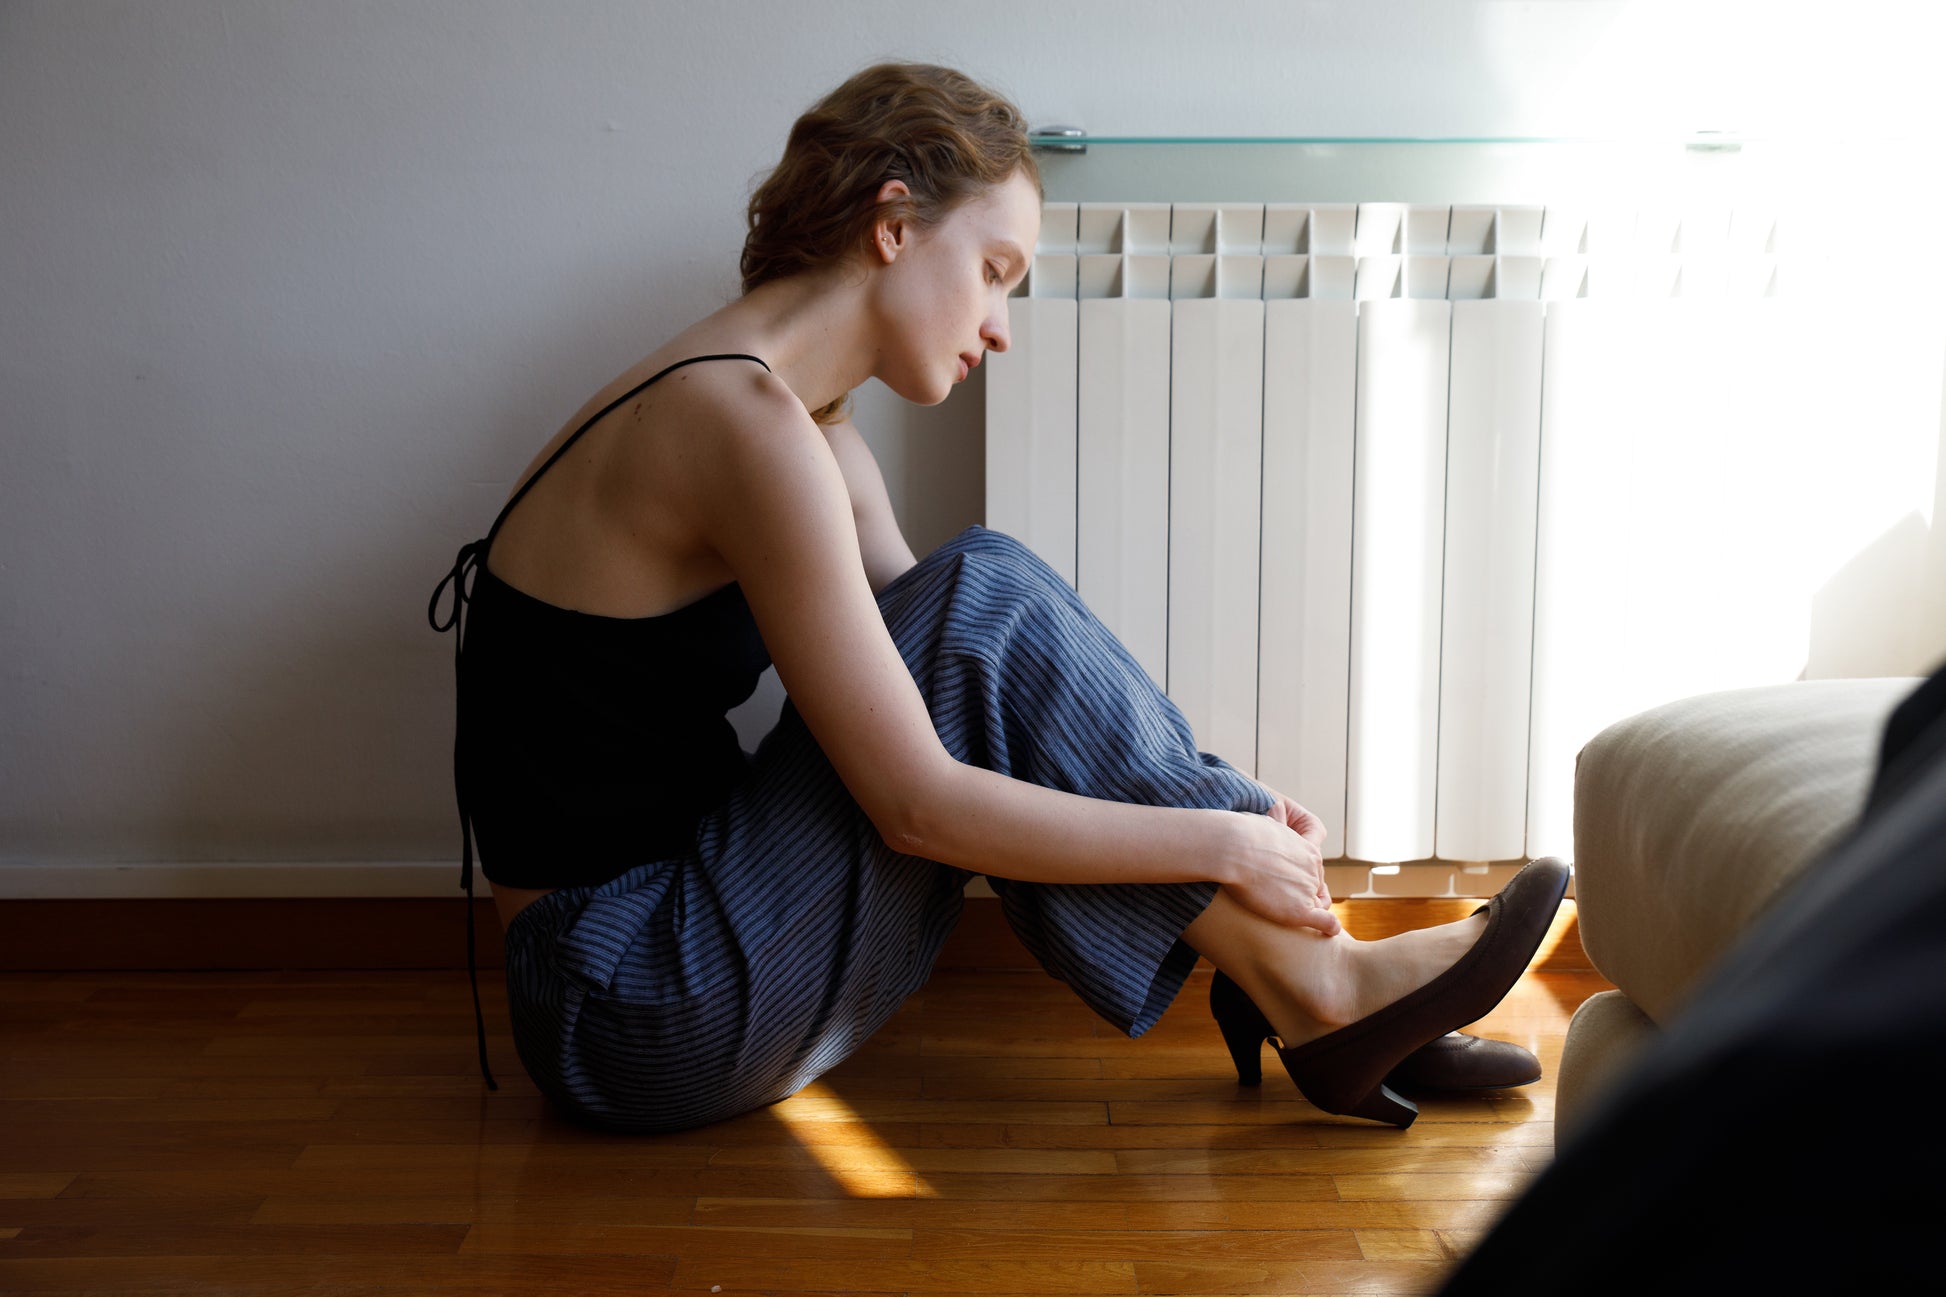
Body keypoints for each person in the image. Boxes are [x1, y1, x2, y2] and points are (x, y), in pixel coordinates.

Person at [427, 61, 1566, 1135]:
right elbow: (917, 802)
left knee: (984, 592)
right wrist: (1218, 840)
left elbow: (994, 696)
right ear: (892, 225)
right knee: (985, 587)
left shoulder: (804, 434)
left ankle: (1310, 989)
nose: (1000, 328)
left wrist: (1226, 803)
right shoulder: (739, 427)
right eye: (993, 272)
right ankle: (1318, 991)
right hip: (620, 1000)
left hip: (681, 934)